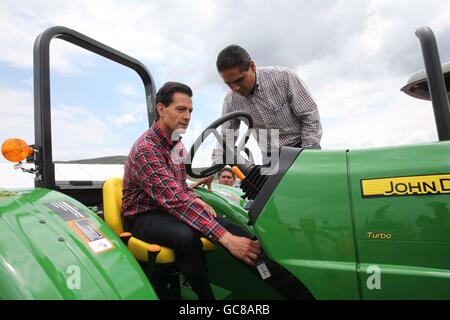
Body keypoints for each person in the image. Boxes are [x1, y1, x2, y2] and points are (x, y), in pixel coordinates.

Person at [122, 81, 309, 300]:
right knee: (187, 236)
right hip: (143, 216)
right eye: (180, 109)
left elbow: (179, 188)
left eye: (190, 110)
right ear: (161, 109)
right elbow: (173, 199)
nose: (187, 116)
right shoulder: (147, 149)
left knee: (232, 226)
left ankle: (294, 289)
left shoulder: (178, 146)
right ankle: (205, 298)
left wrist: (194, 197)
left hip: (168, 209)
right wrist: (226, 240)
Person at [192, 44, 322, 191]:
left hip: (300, 148)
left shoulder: (283, 78)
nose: (235, 88)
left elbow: (310, 117)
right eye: (228, 84)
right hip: (269, 156)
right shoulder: (231, 100)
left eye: (239, 80)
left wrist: (307, 158)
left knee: (309, 193)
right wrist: (212, 171)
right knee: (272, 203)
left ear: (252, 66)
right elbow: (226, 139)